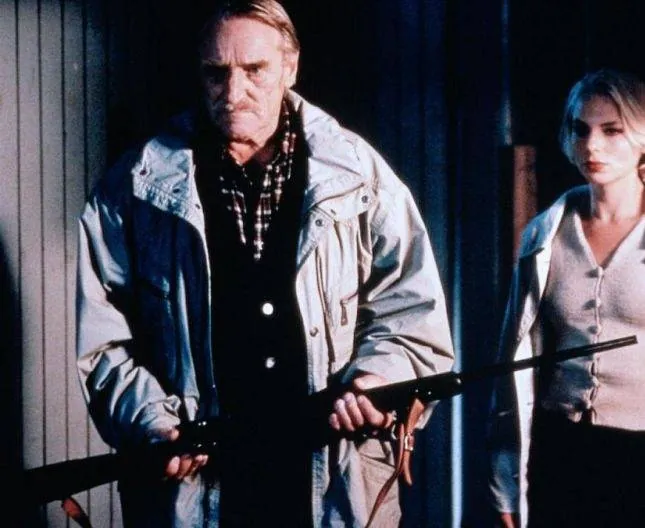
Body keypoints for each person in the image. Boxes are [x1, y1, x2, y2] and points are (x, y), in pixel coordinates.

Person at [75, 1, 454, 526]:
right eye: (217, 73)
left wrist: (374, 380)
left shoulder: (359, 177)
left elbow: (413, 318)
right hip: (195, 494)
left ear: (290, 68)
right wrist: (152, 422)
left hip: (330, 485)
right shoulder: (134, 189)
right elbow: (104, 343)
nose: (234, 93)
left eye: (255, 70)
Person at [488, 68, 645, 528]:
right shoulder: (545, 233)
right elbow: (513, 360)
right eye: (581, 129)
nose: (592, 145)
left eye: (611, 130)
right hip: (561, 452)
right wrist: (504, 478)